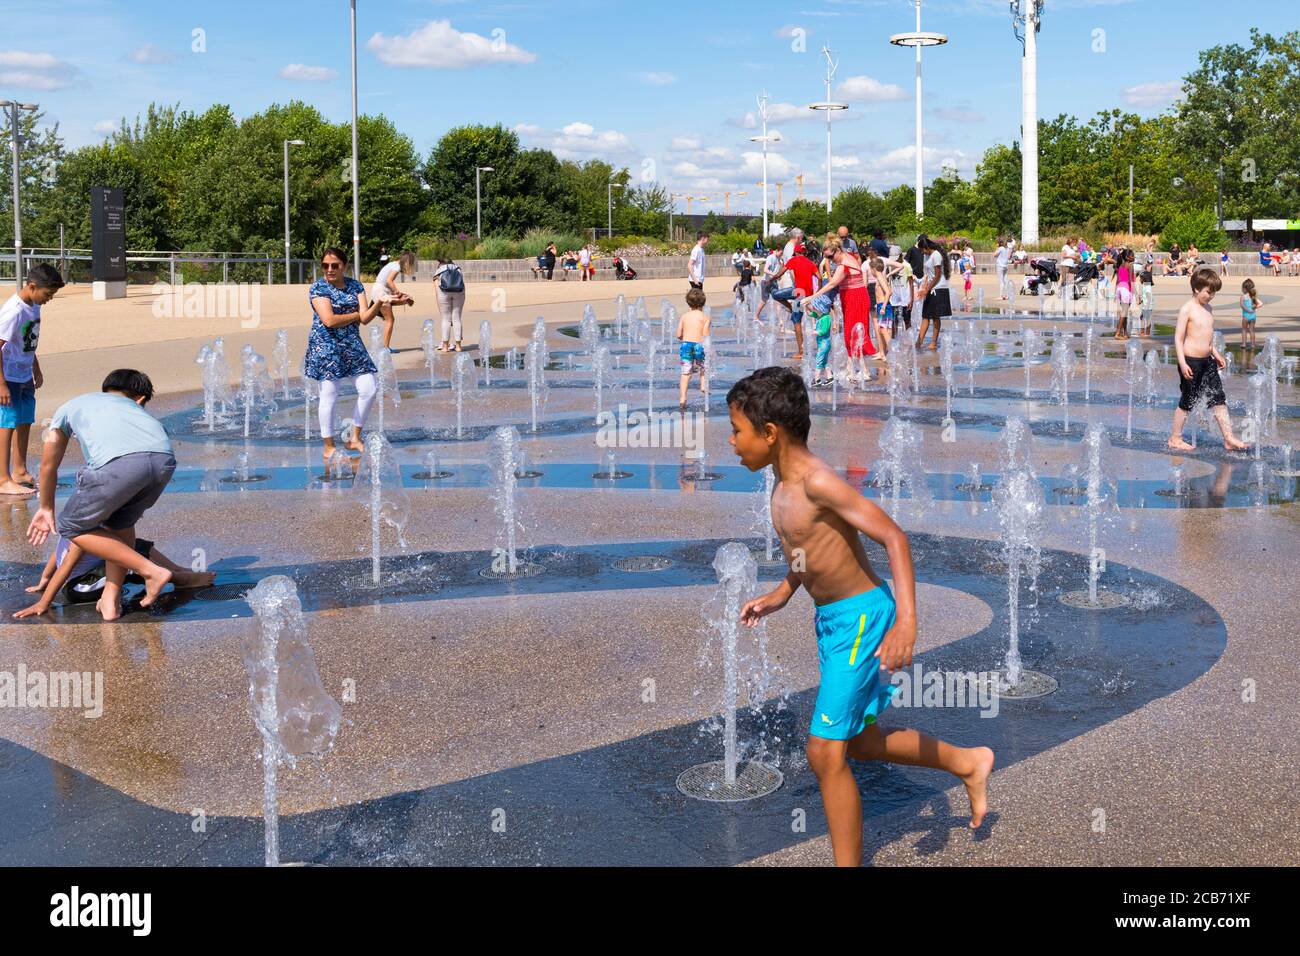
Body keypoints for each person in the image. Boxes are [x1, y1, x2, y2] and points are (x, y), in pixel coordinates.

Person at [727, 366, 994, 866]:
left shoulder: (818, 482)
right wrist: (784, 592)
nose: (731, 441)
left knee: (825, 752)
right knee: (863, 742)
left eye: (737, 430)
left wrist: (907, 624)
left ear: (769, 433)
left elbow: (894, 537)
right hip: (832, 621)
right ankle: (968, 762)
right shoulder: (781, 486)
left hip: (862, 618)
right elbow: (810, 551)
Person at [23, 369, 183, 621]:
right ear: (140, 399)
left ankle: (151, 570)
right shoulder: (134, 410)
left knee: (71, 526)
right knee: (121, 523)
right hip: (164, 461)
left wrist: (45, 507)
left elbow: (48, 465)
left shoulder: (70, 407)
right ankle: (110, 599)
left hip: (120, 465)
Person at [14, 533, 214, 619]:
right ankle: (180, 578)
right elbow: (66, 564)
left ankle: (176, 570)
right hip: (82, 587)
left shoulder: (72, 524)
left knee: (132, 546)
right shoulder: (83, 534)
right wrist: (44, 602)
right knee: (130, 553)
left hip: (79, 582)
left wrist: (44, 580)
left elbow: (55, 555)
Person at [305, 246, 382, 466]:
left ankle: (354, 437)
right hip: (326, 346)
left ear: (344, 266)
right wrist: (357, 314)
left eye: (334, 265)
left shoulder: (355, 285)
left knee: (369, 389)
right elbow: (329, 320)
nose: (329, 269)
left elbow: (366, 318)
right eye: (325, 266)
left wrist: (380, 302)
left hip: (352, 344)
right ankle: (329, 445)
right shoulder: (318, 288)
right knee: (329, 393)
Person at [1167, 269, 1249, 452]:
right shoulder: (1187, 309)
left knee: (1218, 398)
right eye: (1208, 292)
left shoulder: (1208, 309)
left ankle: (1228, 438)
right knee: (1188, 400)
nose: (1211, 296)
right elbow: (1178, 339)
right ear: (1196, 288)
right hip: (1191, 362)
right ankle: (1175, 438)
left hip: (1207, 362)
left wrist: (1216, 353)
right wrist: (1182, 362)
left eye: (1214, 293)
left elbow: (1208, 338)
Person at [0, 263, 64, 497]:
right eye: (48, 294)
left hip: (25, 373)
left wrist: (36, 366)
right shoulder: (13, 310)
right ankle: (2, 478)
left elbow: (28, 338)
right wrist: (1, 383)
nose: (49, 299)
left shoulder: (34, 305)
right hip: (8, 376)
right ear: (32, 286)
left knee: (25, 419)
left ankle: (19, 470)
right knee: (6, 423)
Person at [806, 238, 875, 383]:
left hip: (855, 298)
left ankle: (865, 371)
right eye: (827, 258)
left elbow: (832, 284)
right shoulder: (846, 259)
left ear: (838, 250)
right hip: (852, 298)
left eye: (831, 257)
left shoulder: (843, 264)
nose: (830, 260)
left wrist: (812, 297)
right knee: (852, 334)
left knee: (855, 334)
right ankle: (852, 370)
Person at [770, 244, 818, 360]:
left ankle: (801, 351)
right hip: (807, 295)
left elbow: (780, 273)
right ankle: (792, 309)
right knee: (801, 318)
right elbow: (819, 276)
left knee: (776, 295)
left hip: (798, 293)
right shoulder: (810, 263)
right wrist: (818, 292)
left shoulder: (794, 260)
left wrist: (772, 278)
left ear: (796, 253)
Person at [370, 251, 416, 349]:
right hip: (381, 292)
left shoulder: (392, 264)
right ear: (407, 261)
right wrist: (397, 291)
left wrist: (400, 294)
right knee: (390, 320)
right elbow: (389, 280)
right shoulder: (397, 266)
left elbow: (386, 283)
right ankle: (386, 348)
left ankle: (407, 301)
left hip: (380, 290)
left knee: (391, 316)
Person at [676, 287, 711, 410]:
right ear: (703, 303)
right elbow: (706, 335)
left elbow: (678, 334)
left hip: (686, 345)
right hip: (699, 345)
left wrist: (684, 338)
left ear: (688, 303)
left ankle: (682, 397)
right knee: (703, 366)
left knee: (686, 373)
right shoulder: (705, 318)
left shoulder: (684, 316)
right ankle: (703, 385)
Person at [915, 236, 951, 351]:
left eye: (922, 249)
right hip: (930, 288)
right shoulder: (926, 255)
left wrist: (927, 289)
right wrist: (923, 288)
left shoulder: (936, 255)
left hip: (939, 288)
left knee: (935, 317)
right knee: (925, 316)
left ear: (926, 247)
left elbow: (938, 275)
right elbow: (927, 275)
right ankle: (918, 342)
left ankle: (934, 342)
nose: (921, 252)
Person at [433, 256, 467, 352]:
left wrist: (439, 303)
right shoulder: (458, 269)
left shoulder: (439, 271)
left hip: (444, 294)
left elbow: (436, 290)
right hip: (459, 293)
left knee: (446, 319)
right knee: (457, 318)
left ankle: (445, 347)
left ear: (441, 263)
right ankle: (458, 346)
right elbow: (462, 284)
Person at [1240, 278, 1259, 353]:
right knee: (1252, 330)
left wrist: (1247, 310)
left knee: (1244, 330)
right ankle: (1253, 344)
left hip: (1246, 316)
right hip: (1253, 316)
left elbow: (1242, 305)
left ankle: (1244, 344)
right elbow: (1257, 304)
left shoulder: (1243, 296)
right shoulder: (1253, 296)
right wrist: (1253, 308)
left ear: (1245, 288)